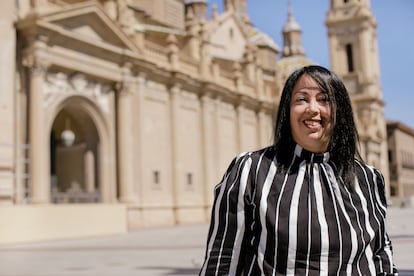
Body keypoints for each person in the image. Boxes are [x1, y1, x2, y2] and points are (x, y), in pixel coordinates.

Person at [199, 65, 398, 275]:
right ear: (287, 111)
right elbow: (223, 261)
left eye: (324, 99)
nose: (313, 109)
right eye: (301, 99)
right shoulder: (251, 170)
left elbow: (381, 253)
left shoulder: (368, 178)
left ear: (341, 111)